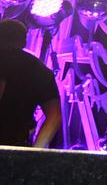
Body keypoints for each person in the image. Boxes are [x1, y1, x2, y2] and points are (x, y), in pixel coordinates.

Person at [0, 19, 62, 148]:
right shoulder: (37, 68)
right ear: (24, 41)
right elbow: (54, 115)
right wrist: (34, 152)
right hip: (14, 146)